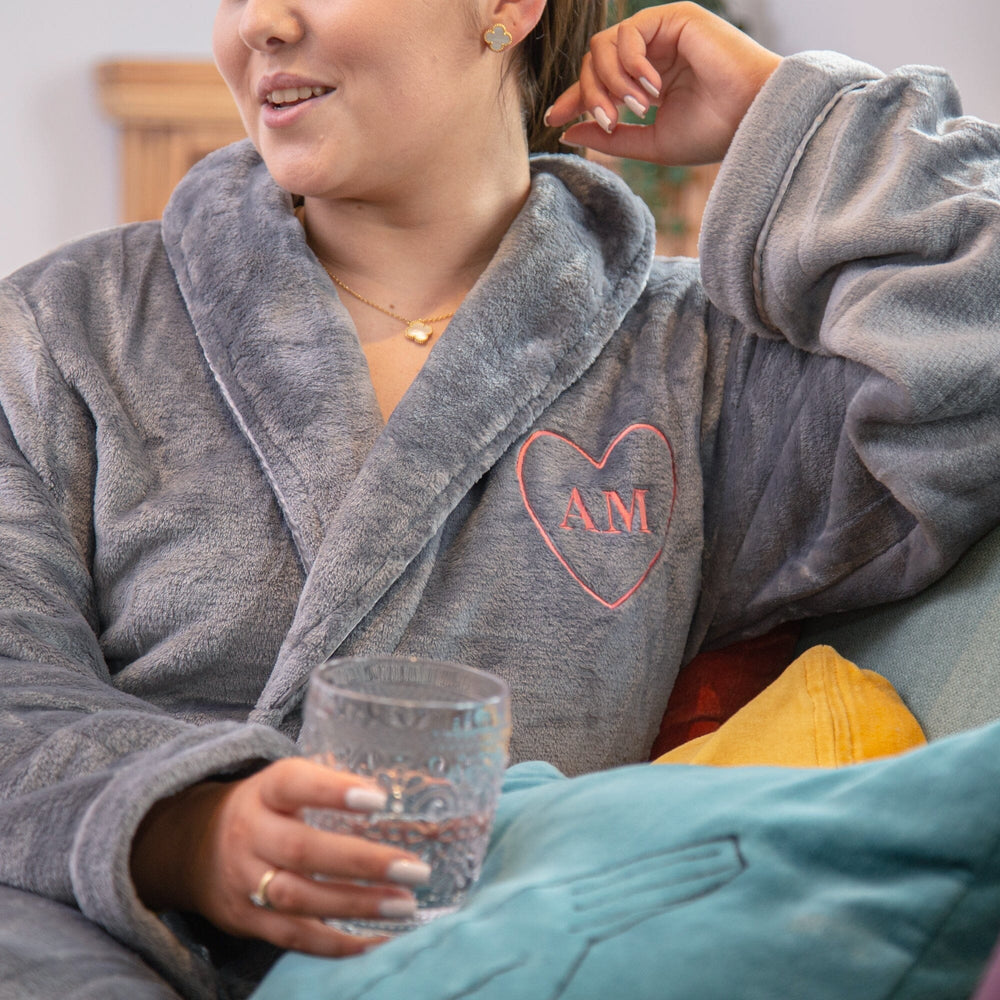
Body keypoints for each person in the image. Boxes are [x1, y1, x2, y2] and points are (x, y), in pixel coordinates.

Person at [1, 0, 999, 997]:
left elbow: (973, 381)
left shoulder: (696, 370)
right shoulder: (61, 334)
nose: (259, 21)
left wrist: (789, 117)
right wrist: (185, 830)